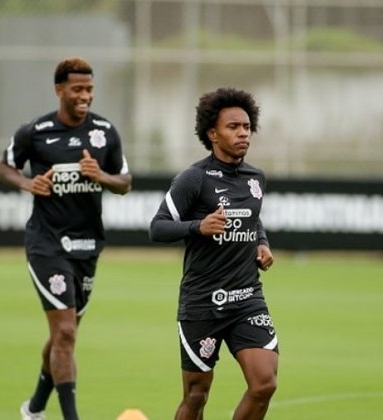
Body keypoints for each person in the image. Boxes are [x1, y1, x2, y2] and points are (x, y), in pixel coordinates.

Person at [0, 56, 132, 420]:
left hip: (88, 246)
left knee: (63, 336)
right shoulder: (35, 131)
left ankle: (34, 409)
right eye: (77, 89)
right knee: (67, 332)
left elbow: (124, 182)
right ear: (59, 90)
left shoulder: (105, 131)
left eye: (89, 89)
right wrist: (28, 183)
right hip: (47, 244)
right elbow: (4, 167)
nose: (85, 96)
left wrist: (100, 175)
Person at [149, 87, 278, 420]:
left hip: (247, 299)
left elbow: (253, 217)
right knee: (196, 395)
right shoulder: (194, 178)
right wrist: (198, 227)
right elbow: (157, 227)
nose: (243, 133)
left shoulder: (256, 178)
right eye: (233, 127)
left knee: (264, 383)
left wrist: (261, 242)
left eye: (246, 126)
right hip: (202, 302)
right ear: (212, 134)